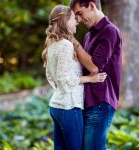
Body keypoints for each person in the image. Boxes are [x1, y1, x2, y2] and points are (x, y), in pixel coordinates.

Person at [42, 5, 107, 150]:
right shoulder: (65, 45)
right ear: (65, 21)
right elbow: (64, 79)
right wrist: (89, 79)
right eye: (73, 18)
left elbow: (50, 75)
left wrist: (60, 89)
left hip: (56, 106)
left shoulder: (52, 44)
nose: (77, 21)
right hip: (69, 107)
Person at [70, 0, 122, 150]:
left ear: (92, 6)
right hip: (87, 102)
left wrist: (72, 41)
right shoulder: (88, 36)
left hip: (100, 102)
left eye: (80, 13)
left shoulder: (110, 31)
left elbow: (94, 67)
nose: (78, 20)